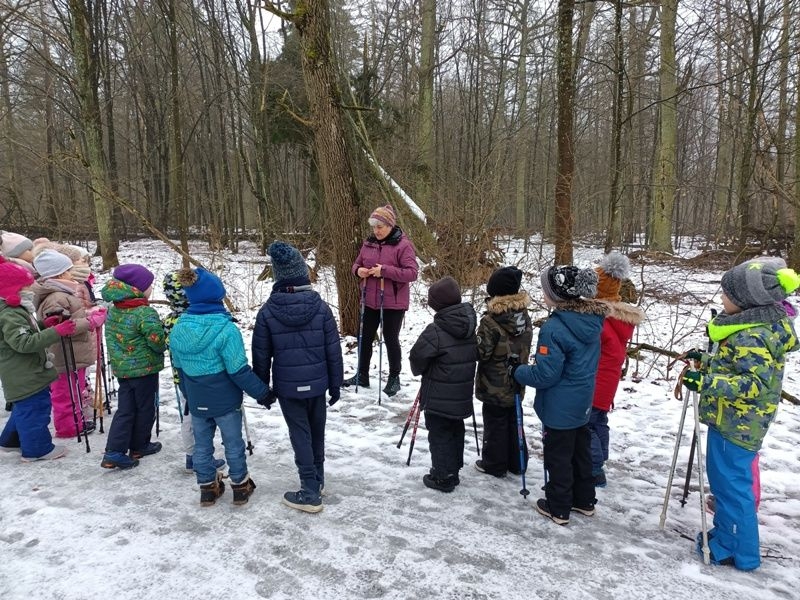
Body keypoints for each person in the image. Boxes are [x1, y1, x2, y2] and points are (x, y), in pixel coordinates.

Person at [682, 257, 799, 570]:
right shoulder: (749, 328)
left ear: (747, 302)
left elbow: (752, 384)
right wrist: (705, 363)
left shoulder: (754, 336)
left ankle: (738, 551)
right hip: (731, 419)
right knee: (724, 485)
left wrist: (706, 381)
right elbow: (732, 367)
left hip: (738, 423)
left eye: (727, 295)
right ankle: (726, 534)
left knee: (732, 487)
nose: (722, 299)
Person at [510, 265, 607, 525]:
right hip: (583, 400)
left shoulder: (554, 328)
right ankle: (584, 500)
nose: (543, 294)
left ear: (557, 295)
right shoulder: (593, 321)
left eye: (545, 290)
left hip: (559, 405)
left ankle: (558, 506)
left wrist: (518, 371)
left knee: (559, 456)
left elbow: (546, 375)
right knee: (580, 451)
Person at [252, 241, 343, 513]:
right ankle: (317, 479)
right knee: (316, 432)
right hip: (317, 385)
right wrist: (335, 384)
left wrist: (262, 390)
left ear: (278, 276)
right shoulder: (322, 308)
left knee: (300, 434)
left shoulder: (267, 312)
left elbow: (261, 355)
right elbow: (333, 351)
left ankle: (310, 490)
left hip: (289, 389)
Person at [169, 268, 266, 506]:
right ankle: (240, 485)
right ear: (217, 296)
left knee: (201, 445)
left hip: (196, 398)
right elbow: (238, 370)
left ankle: (207, 488)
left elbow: (179, 368)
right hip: (225, 400)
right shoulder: (226, 329)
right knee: (233, 443)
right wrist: (263, 393)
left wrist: (189, 395)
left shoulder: (178, 329)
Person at [0, 256, 75, 460]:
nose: (30, 291)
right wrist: (56, 332)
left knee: (24, 408)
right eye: (25, 287)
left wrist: (44, 325)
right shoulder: (10, 314)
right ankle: (37, 449)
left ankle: (10, 440)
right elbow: (23, 343)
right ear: (11, 291)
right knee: (35, 409)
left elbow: (26, 333)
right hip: (24, 372)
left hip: (24, 371)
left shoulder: (15, 310)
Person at [409, 276, 478, 492]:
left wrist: (420, 369)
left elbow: (417, 356)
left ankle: (443, 476)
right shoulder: (469, 326)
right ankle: (453, 469)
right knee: (455, 429)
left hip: (439, 395)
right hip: (461, 394)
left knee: (439, 433)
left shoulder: (436, 330)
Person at [343, 204, 418, 396]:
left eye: (380, 227)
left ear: (390, 226)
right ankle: (362, 374)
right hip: (369, 299)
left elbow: (412, 273)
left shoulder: (403, 245)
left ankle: (394, 378)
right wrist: (358, 271)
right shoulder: (368, 243)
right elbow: (356, 264)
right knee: (365, 337)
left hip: (393, 301)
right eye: (374, 226)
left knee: (390, 339)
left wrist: (384, 271)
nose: (376, 231)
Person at [32, 249, 105, 439]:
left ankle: (76, 421)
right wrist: (90, 322)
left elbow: (72, 316)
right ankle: (67, 427)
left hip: (75, 351)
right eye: (68, 270)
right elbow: (60, 326)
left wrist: (89, 314)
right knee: (65, 393)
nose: (71, 274)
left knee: (75, 389)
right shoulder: (55, 297)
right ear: (58, 274)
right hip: (63, 353)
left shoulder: (64, 292)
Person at [100, 264, 166, 470]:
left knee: (126, 408)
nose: (151, 288)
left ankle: (114, 450)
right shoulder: (144, 313)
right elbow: (157, 340)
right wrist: (164, 342)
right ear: (137, 288)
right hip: (144, 370)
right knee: (146, 407)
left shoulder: (113, 310)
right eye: (149, 285)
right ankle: (140, 445)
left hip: (123, 370)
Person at [162, 271, 226, 474]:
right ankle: (195, 456)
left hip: (182, 375)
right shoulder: (196, 319)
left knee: (192, 414)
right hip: (200, 374)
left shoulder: (170, 320)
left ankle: (195, 454)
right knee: (195, 416)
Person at [589, 252, 644, 487]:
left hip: (595, 382)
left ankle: (593, 468)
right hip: (607, 383)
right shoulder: (619, 319)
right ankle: (600, 459)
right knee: (599, 421)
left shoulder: (599, 321)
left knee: (588, 424)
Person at [473, 266, 533, 478]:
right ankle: (518, 462)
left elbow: (481, 353)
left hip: (494, 384)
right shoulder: (524, 317)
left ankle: (494, 463)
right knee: (514, 418)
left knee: (495, 423)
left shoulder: (490, 321)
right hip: (516, 379)